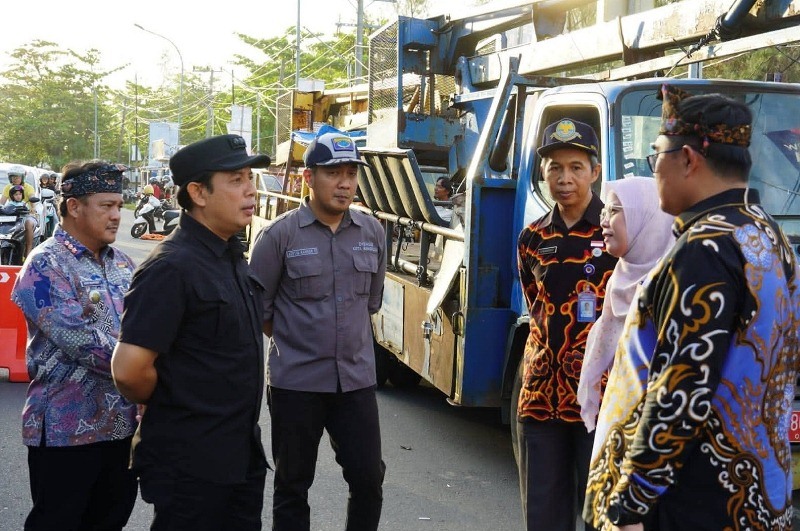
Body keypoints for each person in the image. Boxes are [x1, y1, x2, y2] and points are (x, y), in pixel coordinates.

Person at [584, 85, 800, 530]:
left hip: (692, 502)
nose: (653, 168)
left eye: (655, 155)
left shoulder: (705, 249)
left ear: (688, 160)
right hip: (759, 496)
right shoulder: (768, 236)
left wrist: (630, 506)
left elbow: (679, 392)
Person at [112, 134, 270, 531]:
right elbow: (130, 371)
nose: (250, 189)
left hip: (238, 456)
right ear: (198, 192)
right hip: (191, 463)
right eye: (236, 180)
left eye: (250, 177)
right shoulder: (172, 267)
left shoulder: (229, 255)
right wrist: (181, 401)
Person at [249, 131, 387, 531]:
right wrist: (299, 342)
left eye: (351, 174)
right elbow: (261, 310)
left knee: (368, 478)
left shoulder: (372, 233)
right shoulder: (279, 236)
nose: (344, 183)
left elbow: (371, 303)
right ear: (309, 179)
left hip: (356, 382)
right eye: (333, 174)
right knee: (293, 485)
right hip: (297, 384)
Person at [10, 161, 138, 531]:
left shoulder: (124, 265)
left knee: (109, 522)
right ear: (74, 206)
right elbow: (84, 343)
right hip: (66, 434)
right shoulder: (44, 265)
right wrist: (151, 370)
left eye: (119, 205)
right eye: (106, 206)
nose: (116, 215)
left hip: (121, 427)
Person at [516, 118, 618, 531]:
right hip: (541, 398)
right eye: (555, 167)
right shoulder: (532, 238)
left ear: (595, 171)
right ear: (542, 173)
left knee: (602, 516)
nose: (564, 178)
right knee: (544, 517)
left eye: (576, 167)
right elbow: (534, 305)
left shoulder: (617, 231)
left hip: (602, 398)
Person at [576, 177, 674, 432]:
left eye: (615, 211)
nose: (604, 222)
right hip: (619, 426)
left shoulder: (670, 286)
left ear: (648, 218)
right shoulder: (619, 280)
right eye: (604, 212)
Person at [1, 165, 37, 257]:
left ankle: (28, 251)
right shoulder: (7, 187)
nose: (15, 179)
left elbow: (32, 201)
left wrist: (32, 208)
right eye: (12, 177)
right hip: (12, 215)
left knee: (28, 223)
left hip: (26, 215)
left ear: (22, 177)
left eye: (17, 177)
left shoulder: (29, 187)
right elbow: (2, 203)